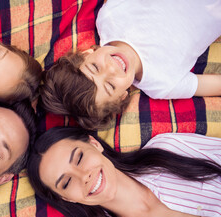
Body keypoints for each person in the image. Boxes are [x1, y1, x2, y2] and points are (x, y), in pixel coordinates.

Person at [40, 0, 221, 129]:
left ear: (88, 53)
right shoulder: (162, 85)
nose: (111, 68)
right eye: (110, 86)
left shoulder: (109, 17)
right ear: (121, 97)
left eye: (94, 67)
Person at [27, 127, 221, 217]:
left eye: (79, 158)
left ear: (94, 144)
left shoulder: (167, 149)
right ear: (65, 197)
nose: (83, 176)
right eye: (67, 182)